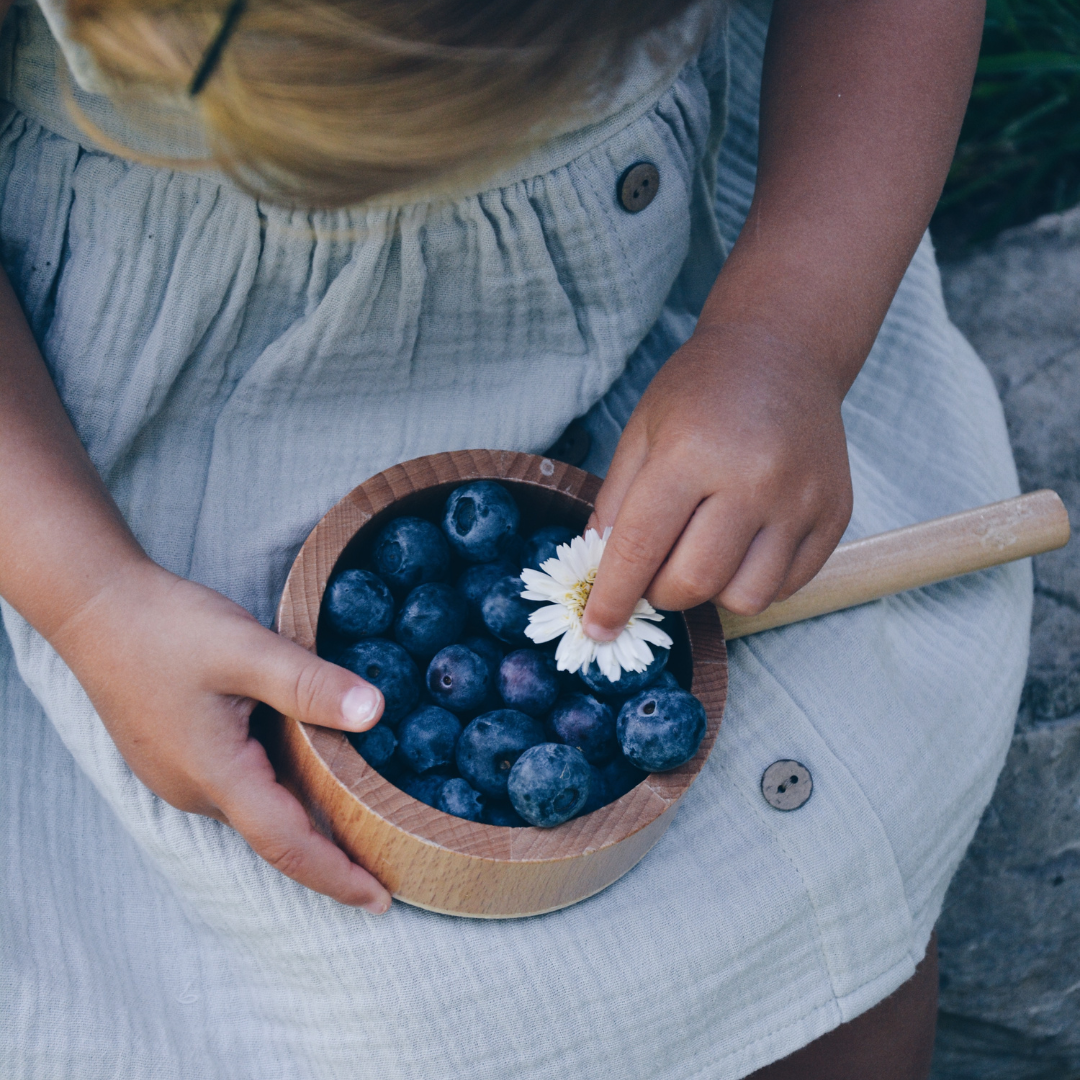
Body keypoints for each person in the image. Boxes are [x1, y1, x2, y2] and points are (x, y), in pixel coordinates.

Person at [0, 0, 1030, 1076]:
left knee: (838, 886)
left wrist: (788, 334)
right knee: (363, 1006)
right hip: (118, 486)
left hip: (708, 327)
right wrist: (90, 600)